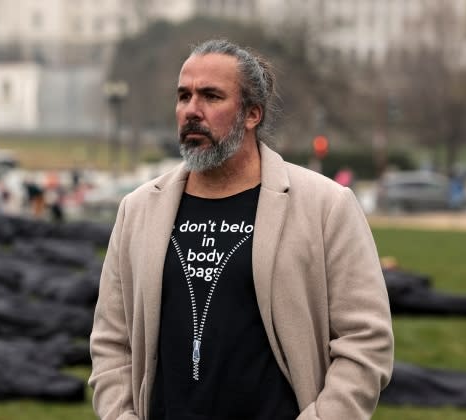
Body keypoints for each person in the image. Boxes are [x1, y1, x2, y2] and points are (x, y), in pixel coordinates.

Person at [89, 39, 393, 420]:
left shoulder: (325, 206)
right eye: (183, 96)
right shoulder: (138, 210)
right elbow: (111, 343)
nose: (191, 111)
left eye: (211, 96)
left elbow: (367, 341)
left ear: (252, 114)